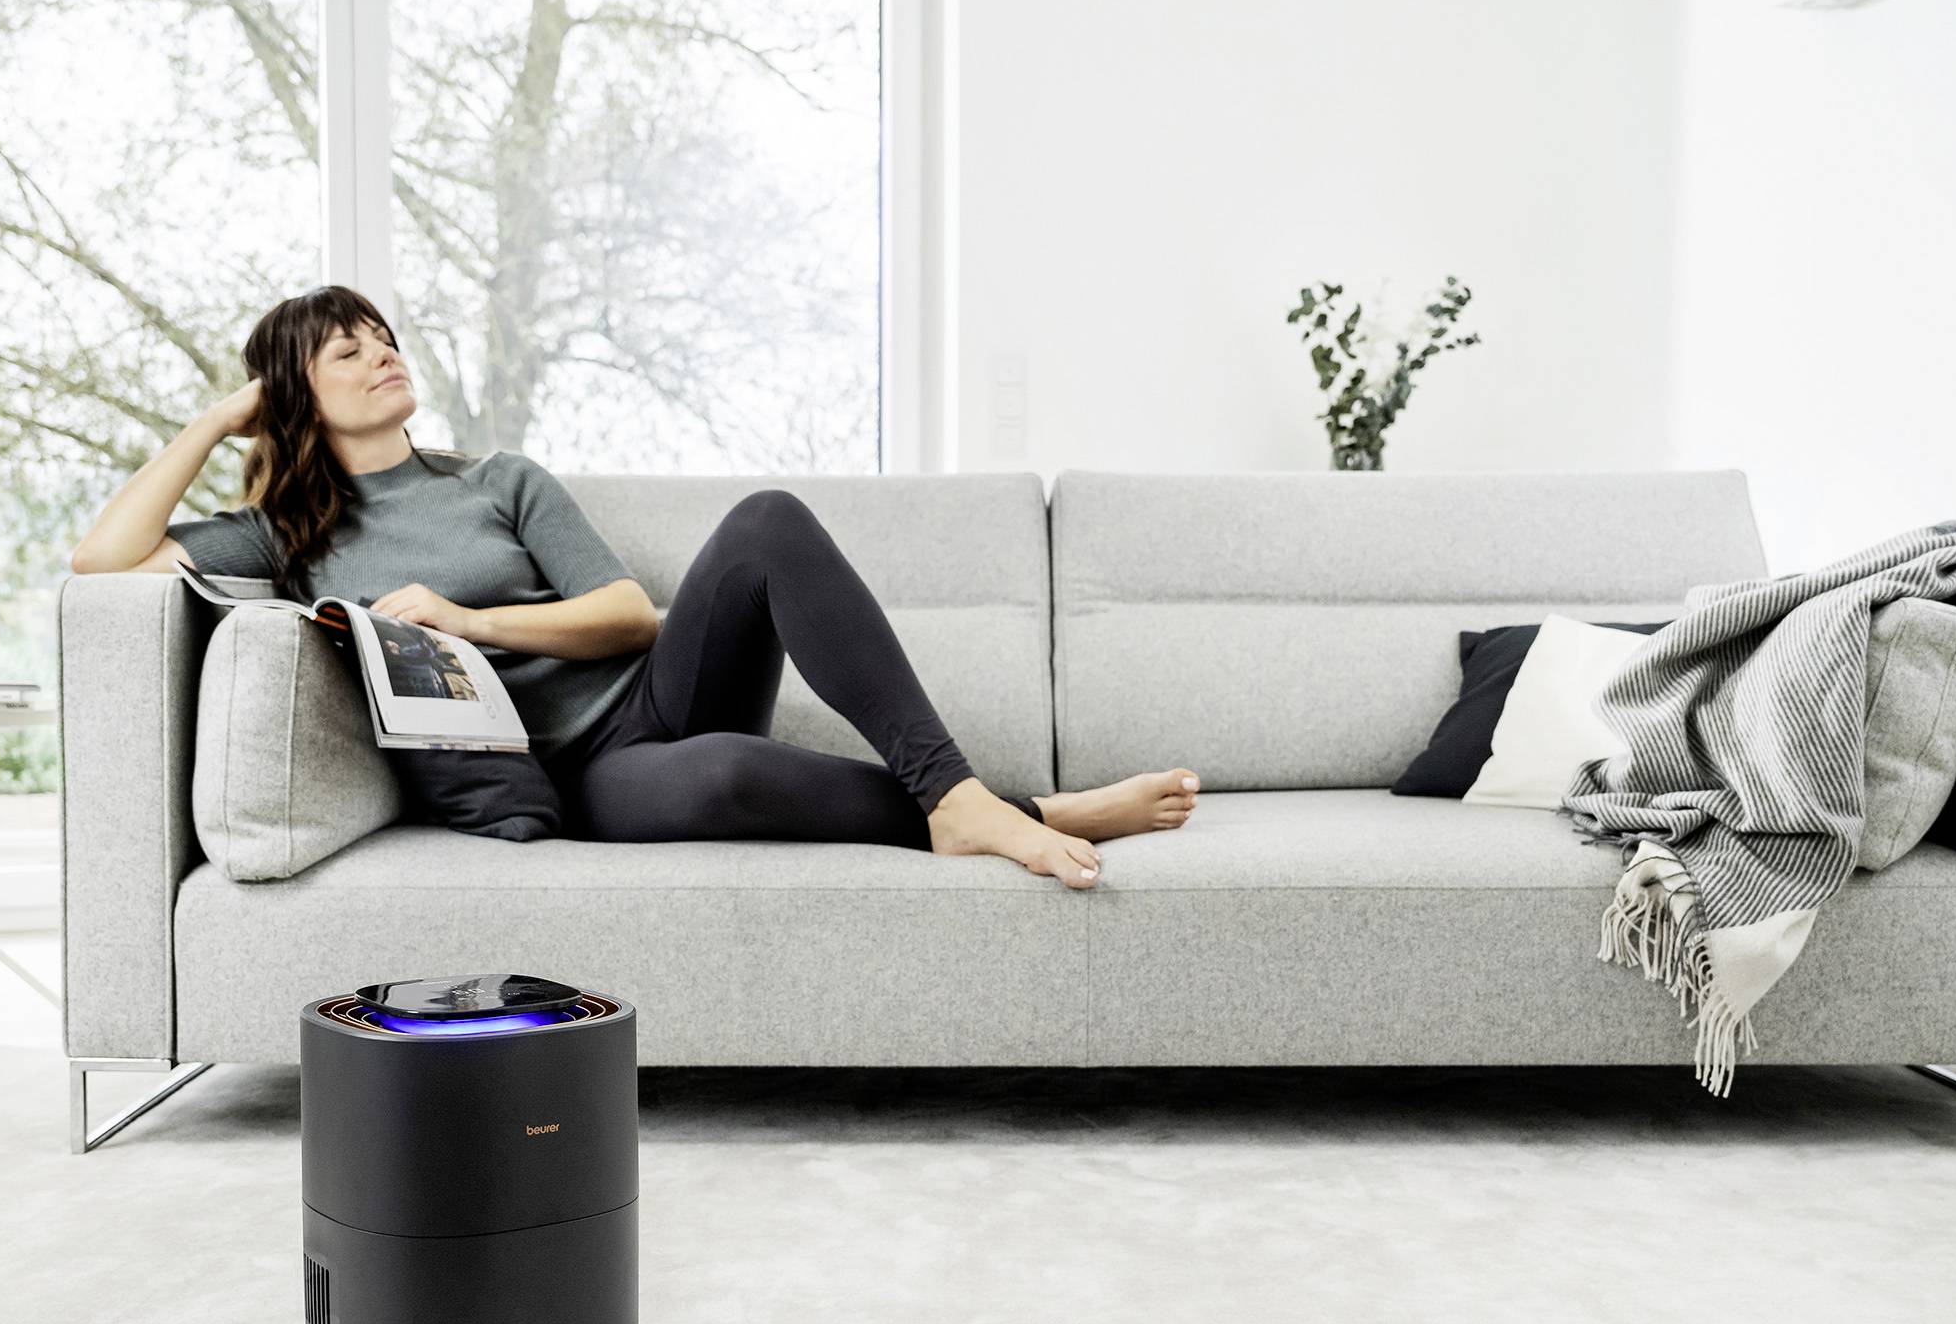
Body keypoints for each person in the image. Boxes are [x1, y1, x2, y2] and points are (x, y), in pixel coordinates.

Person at [72, 285, 1201, 888]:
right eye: (346, 351)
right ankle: (1022, 814)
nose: (381, 353)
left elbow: (626, 616)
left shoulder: (499, 481)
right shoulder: (285, 539)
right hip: (582, 781)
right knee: (723, 777)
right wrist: (220, 415)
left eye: (383, 336)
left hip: (653, 694)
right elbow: (104, 559)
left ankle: (960, 800)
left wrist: (464, 616)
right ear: (296, 395)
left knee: (766, 522)